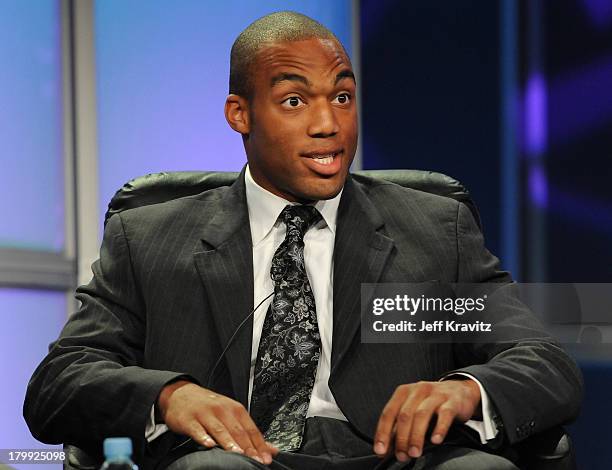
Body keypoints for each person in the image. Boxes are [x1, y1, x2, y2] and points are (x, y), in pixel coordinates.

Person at [24, 11, 582, 470]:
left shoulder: (434, 231)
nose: (328, 125)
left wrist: (465, 389)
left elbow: (543, 362)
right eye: (295, 101)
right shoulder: (149, 237)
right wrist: (168, 396)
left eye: (342, 97)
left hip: (394, 459)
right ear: (239, 114)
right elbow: (59, 384)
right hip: (238, 458)